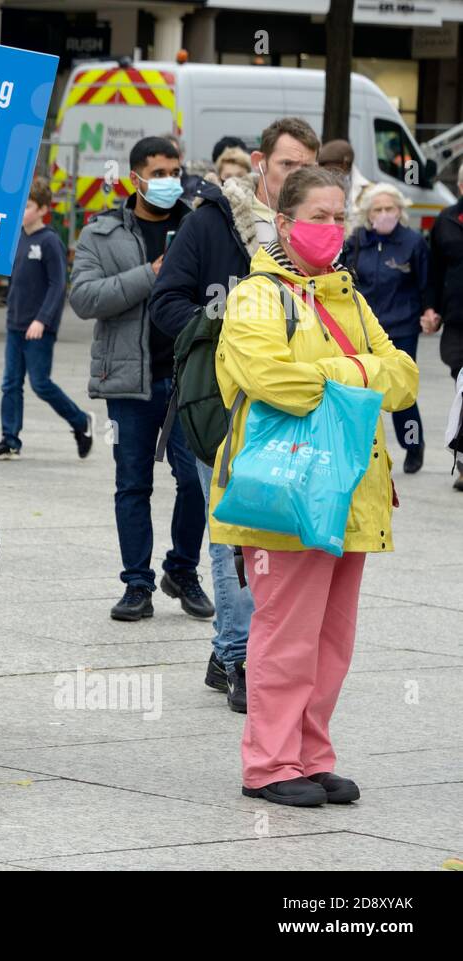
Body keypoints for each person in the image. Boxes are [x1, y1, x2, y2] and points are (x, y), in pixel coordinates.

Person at [211, 165, 418, 806]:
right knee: (286, 634)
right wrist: (361, 372)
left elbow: (406, 378)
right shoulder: (255, 295)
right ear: (285, 222)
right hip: (284, 490)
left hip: (350, 491)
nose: (332, 228)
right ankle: (270, 764)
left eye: (339, 217)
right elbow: (266, 377)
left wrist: (336, 373)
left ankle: (310, 754)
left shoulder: (348, 296)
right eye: (319, 216)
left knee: (331, 639)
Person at [150, 116, 320, 711]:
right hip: (217, 406)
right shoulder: (208, 222)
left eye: (306, 166)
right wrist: (228, 334)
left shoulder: (312, 238)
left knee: (277, 534)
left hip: (289, 406)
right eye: (286, 164)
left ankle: (228, 650)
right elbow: (165, 302)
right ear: (260, 163)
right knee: (232, 537)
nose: (296, 175)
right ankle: (244, 659)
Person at [69, 136, 213, 624]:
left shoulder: (199, 226)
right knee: (133, 484)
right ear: (136, 179)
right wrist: (152, 273)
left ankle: (183, 570)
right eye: (159, 173)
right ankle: (136, 585)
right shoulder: (103, 232)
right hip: (131, 382)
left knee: (194, 480)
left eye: (176, 171)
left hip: (189, 379)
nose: (170, 181)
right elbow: (85, 298)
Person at [0, 178, 92, 460]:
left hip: (38, 328)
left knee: (41, 383)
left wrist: (42, 320)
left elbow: (58, 285)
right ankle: (10, 440)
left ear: (43, 209)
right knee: (10, 383)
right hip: (15, 323)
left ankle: (80, 421)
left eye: (28, 205)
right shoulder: (18, 238)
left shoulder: (49, 242)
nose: (22, 210)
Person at [342, 183, 433, 474]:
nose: (384, 214)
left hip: (402, 326)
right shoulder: (356, 241)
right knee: (363, 390)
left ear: (400, 210)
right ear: (368, 213)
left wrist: (429, 312)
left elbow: (426, 283)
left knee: (401, 391)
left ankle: (413, 446)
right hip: (364, 328)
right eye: (377, 209)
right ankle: (362, 451)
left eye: (389, 208)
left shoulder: (412, 242)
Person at [426, 165, 463, 492]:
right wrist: (431, 308)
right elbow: (434, 270)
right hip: (457, 321)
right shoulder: (447, 221)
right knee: (462, 387)